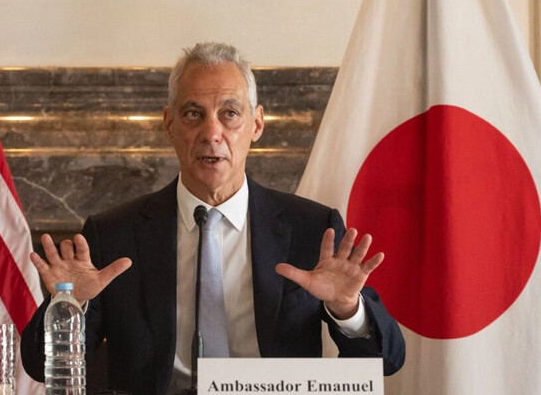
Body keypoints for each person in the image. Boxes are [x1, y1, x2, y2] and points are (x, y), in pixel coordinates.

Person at [21, 42, 406, 394]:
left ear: (256, 125)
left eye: (229, 114)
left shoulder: (311, 228)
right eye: (193, 114)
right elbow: (39, 367)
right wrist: (70, 307)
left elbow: (385, 360)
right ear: (169, 124)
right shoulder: (113, 234)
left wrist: (346, 308)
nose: (212, 133)